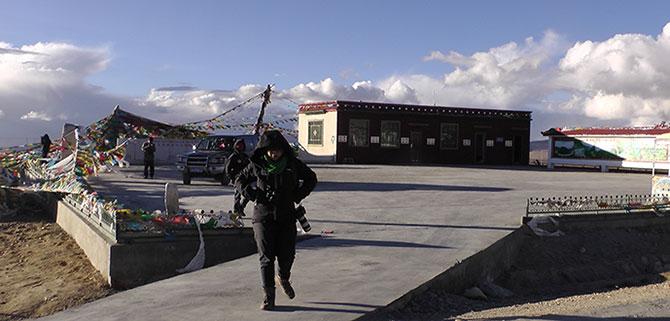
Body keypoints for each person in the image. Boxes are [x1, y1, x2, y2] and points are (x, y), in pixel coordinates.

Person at [235, 130, 317, 310]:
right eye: (270, 150)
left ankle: (283, 277)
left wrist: (297, 195)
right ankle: (268, 297)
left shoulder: (292, 164)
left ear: (283, 150)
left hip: (286, 216)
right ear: (264, 150)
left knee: (287, 255)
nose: (274, 154)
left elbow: (311, 178)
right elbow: (239, 180)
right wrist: (253, 194)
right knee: (266, 257)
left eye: (277, 150)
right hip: (263, 217)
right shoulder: (256, 165)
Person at [225, 139, 250, 216]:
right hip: (237, 179)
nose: (240, 146)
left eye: (242, 145)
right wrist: (232, 177)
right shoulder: (233, 156)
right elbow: (227, 169)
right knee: (237, 195)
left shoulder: (245, 156)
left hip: (245, 179)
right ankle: (236, 211)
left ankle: (241, 208)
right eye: (238, 145)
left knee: (248, 194)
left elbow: (250, 167)